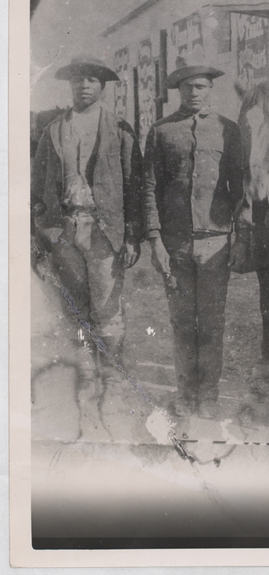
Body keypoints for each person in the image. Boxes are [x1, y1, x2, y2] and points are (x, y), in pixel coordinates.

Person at [31, 56, 143, 393]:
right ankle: (85, 378)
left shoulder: (120, 129)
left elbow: (134, 184)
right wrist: (40, 234)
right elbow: (37, 187)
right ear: (70, 85)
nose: (84, 86)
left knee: (107, 307)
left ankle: (110, 379)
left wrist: (133, 235)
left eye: (92, 80)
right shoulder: (53, 131)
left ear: (102, 87)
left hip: (104, 230)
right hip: (64, 231)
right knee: (73, 309)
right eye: (78, 80)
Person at [142, 58, 246, 419]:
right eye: (187, 87)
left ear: (210, 89)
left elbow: (240, 189)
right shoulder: (160, 131)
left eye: (200, 86)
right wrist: (155, 240)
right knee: (182, 322)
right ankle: (186, 392)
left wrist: (242, 237)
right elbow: (150, 189)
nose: (193, 92)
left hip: (216, 241)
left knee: (212, 322)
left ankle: (209, 394)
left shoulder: (228, 131)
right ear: (178, 91)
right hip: (176, 244)